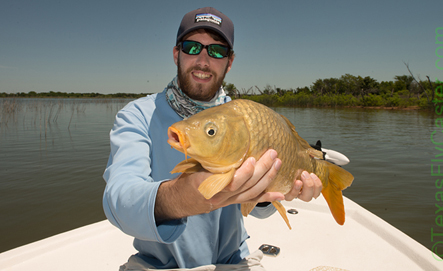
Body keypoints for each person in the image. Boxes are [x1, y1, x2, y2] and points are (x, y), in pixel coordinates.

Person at [103, 7, 322, 270]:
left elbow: (261, 208)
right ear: (176, 54)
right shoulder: (137, 115)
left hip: (233, 263)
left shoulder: (249, 119)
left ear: (230, 62)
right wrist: (180, 197)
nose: (203, 60)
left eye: (217, 51)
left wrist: (272, 189)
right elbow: (119, 200)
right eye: (192, 47)